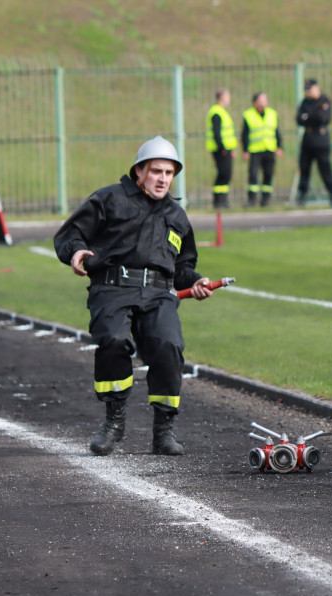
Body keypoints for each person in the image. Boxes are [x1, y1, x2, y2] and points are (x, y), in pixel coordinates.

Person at [53, 136, 212, 457]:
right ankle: (114, 422)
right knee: (113, 340)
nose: (163, 179)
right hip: (111, 288)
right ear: (139, 171)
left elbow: (181, 267)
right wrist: (75, 251)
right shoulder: (109, 199)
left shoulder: (177, 216)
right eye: (156, 171)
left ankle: (163, 431)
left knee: (170, 345)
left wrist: (195, 281)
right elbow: (70, 234)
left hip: (158, 293)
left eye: (169, 173)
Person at [296, 78, 332, 207]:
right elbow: (299, 119)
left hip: (321, 141)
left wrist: (308, 117)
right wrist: (311, 117)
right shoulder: (305, 102)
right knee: (304, 170)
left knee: (325, 169)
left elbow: (323, 118)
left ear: (316, 88)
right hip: (308, 140)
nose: (308, 92)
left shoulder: (324, 101)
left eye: (310, 89)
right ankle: (302, 196)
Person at [241, 91, 283, 207]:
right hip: (255, 150)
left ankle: (266, 200)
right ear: (255, 102)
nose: (264, 102)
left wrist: (279, 147)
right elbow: (245, 134)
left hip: (269, 149)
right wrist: (245, 150)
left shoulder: (272, 114)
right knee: (253, 175)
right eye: (261, 100)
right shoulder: (248, 115)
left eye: (265, 100)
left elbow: (277, 132)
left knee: (268, 174)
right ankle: (252, 200)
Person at [206, 88, 237, 209]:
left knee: (227, 173)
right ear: (222, 97)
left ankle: (223, 200)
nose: (229, 99)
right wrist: (222, 147)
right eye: (228, 96)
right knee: (223, 172)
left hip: (227, 148)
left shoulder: (223, 111)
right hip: (221, 149)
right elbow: (216, 132)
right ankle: (218, 201)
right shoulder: (216, 112)